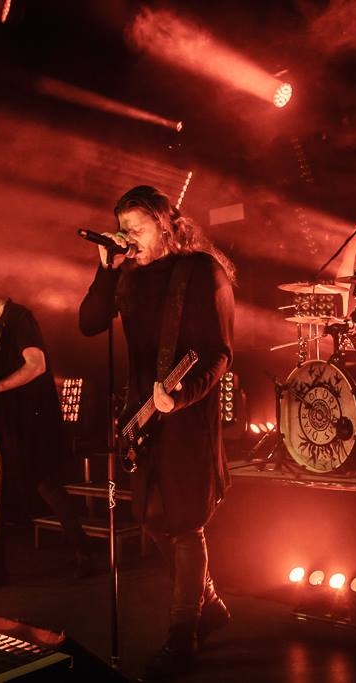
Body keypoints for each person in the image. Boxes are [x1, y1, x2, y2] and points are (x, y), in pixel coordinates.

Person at [78, 186, 236, 679]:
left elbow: (220, 352)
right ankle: (210, 603)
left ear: (166, 226)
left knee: (186, 524)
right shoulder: (126, 275)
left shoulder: (202, 271)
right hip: (142, 416)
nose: (128, 238)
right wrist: (106, 268)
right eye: (123, 229)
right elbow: (89, 322)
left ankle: (182, 636)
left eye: (137, 228)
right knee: (150, 518)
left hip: (187, 416)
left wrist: (182, 397)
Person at [0, 272, 94, 593]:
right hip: (0, 425)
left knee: (47, 486)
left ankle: (84, 551)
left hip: (28, 423)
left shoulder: (19, 319)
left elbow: (36, 365)